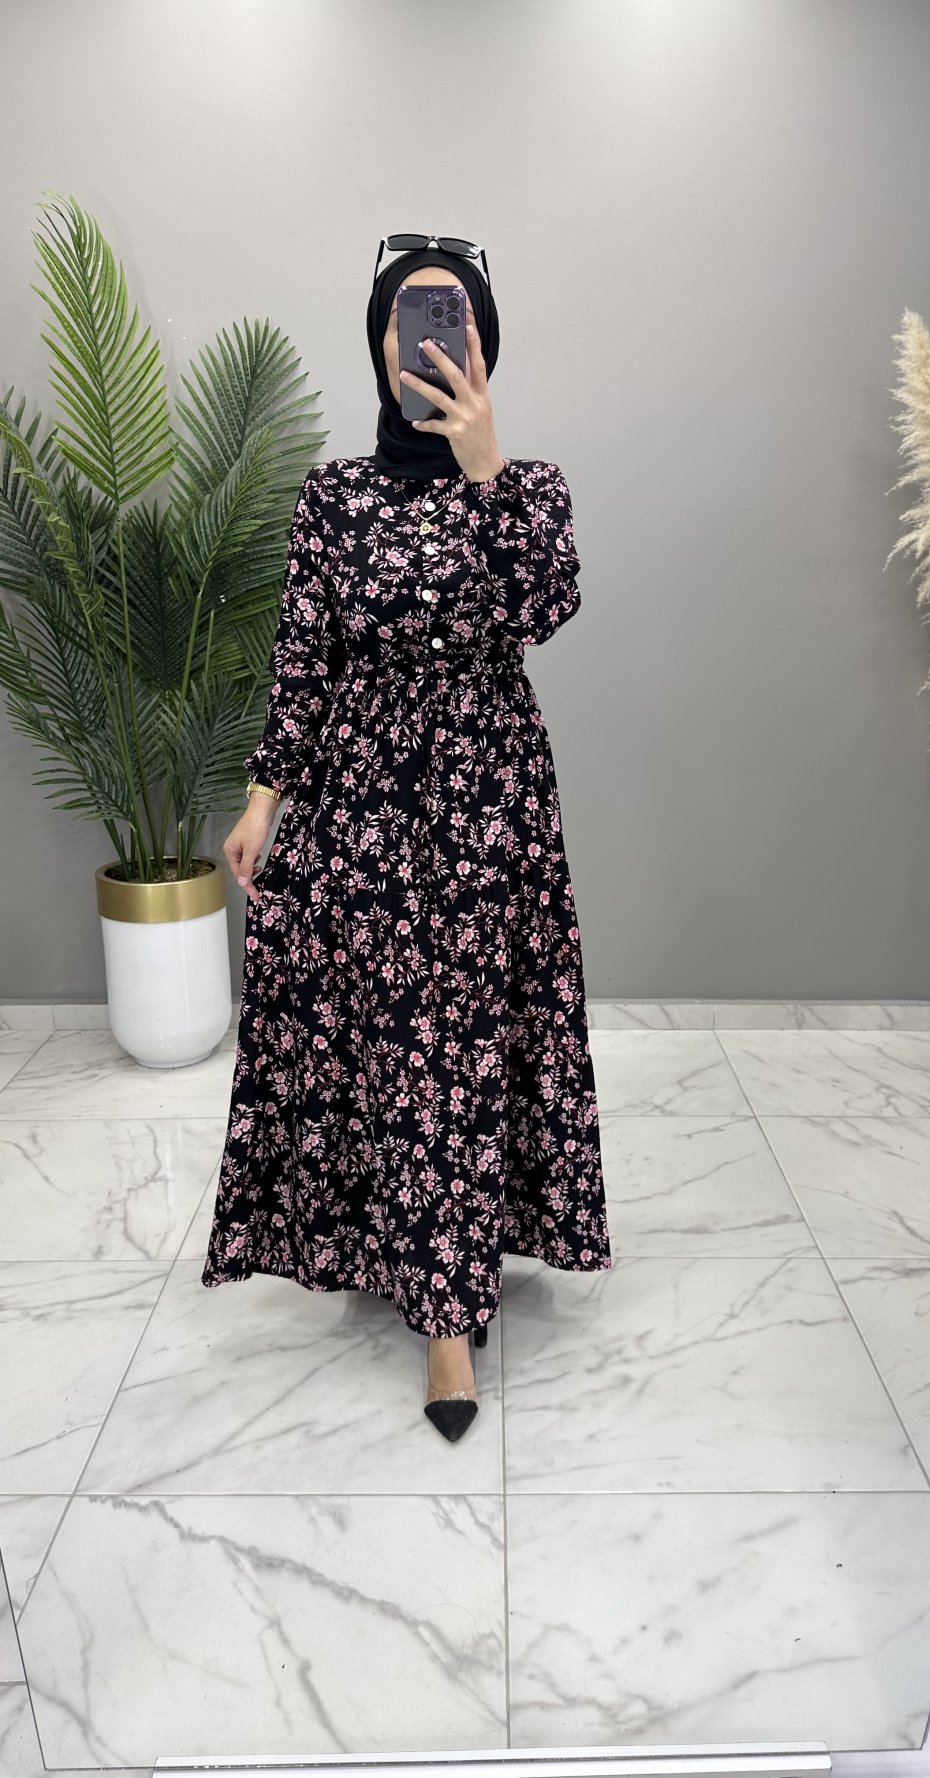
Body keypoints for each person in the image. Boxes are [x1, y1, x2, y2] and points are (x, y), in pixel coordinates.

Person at [206, 239, 613, 1442]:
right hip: (365, 800)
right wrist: (264, 800)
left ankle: (448, 1315)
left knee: (466, 1037)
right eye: (406, 319)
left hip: (489, 801)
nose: (427, 339)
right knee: (394, 1040)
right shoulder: (333, 496)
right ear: (379, 342)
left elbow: (542, 606)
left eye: (450, 318)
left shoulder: (530, 485)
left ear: (483, 341)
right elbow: (305, 656)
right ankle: (408, 1256)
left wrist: (486, 473)